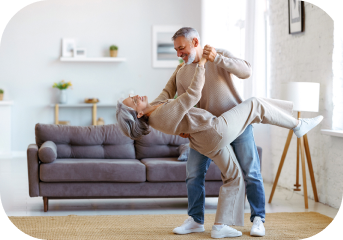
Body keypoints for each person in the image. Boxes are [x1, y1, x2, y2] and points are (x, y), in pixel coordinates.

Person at [116, 57, 323, 239]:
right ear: (139, 115)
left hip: (203, 138)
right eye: (134, 101)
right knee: (255, 104)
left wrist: (180, 68)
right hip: (215, 130)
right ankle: (297, 125)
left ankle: (220, 226)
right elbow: (192, 96)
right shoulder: (161, 115)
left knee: (234, 176)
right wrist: (202, 64)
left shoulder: (154, 108)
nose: (138, 96)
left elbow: (167, 89)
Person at [152, 27, 266, 237]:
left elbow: (247, 71)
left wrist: (218, 59)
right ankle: (196, 219)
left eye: (181, 48)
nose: (179, 54)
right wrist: (182, 127)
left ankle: (258, 219)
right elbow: (180, 105)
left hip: (237, 126)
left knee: (251, 172)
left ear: (195, 41)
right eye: (176, 50)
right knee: (193, 174)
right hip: (204, 132)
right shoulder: (181, 71)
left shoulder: (218, 54)